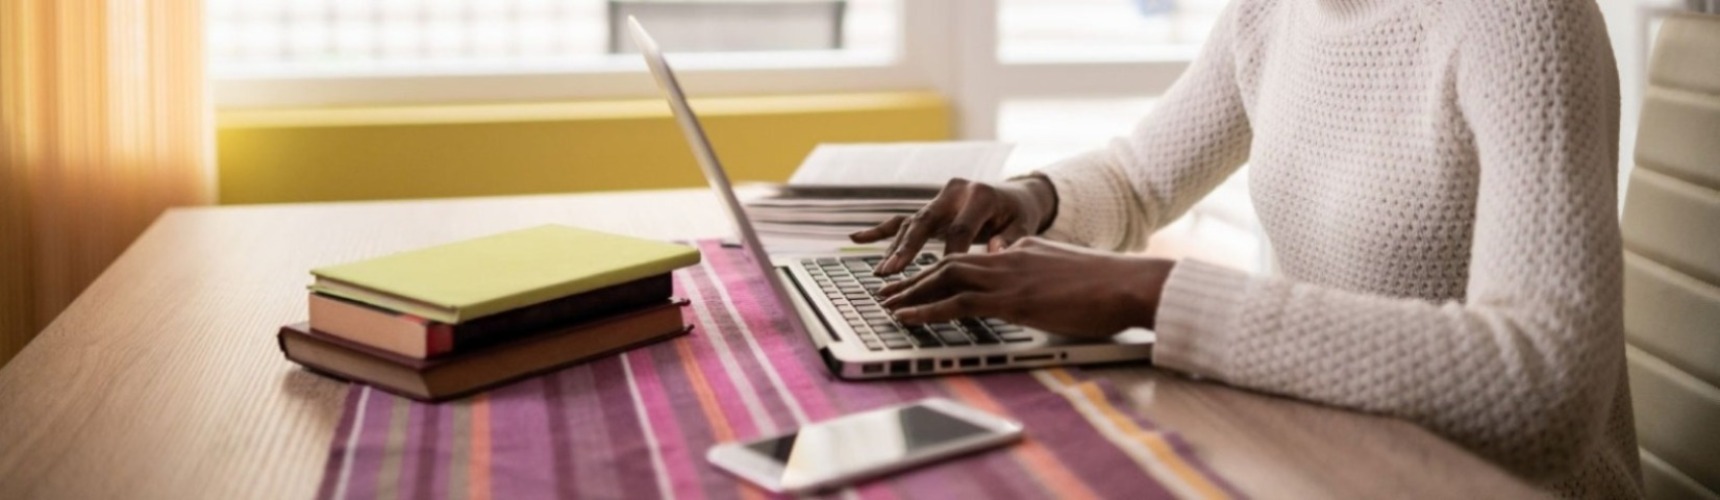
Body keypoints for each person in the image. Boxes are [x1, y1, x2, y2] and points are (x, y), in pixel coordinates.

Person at [853, 0, 1640, 497]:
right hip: (1328, 458)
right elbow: (1137, 179)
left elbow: (1544, 386)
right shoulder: (1270, 14)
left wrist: (1151, 295)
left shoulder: (1526, 21)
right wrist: (1032, 198)